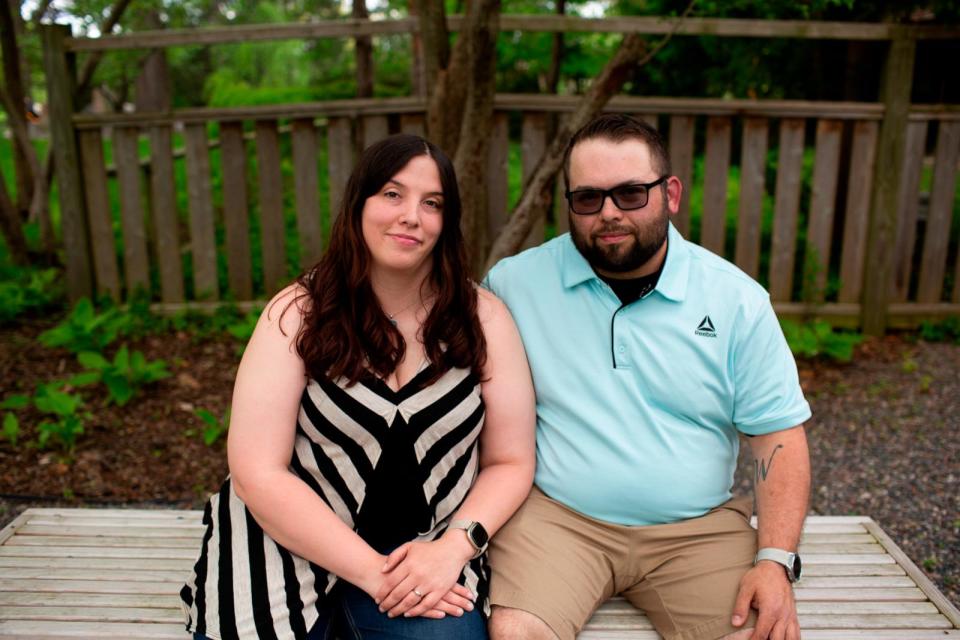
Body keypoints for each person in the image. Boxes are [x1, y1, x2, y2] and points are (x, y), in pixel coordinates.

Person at [181, 134, 536, 639]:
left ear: (447, 221)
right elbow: (257, 471)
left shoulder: (483, 318)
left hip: (426, 550)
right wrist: (373, 574)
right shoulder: (298, 313)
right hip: (286, 541)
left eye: (432, 203)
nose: (412, 215)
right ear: (359, 203)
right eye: (393, 194)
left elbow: (511, 461)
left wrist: (455, 547)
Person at [483, 113, 811, 640]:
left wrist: (774, 561)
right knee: (517, 633)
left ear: (671, 193)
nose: (608, 213)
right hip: (558, 521)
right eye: (588, 198)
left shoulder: (736, 300)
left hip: (697, 531)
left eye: (631, 193)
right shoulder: (513, 285)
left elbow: (778, 437)